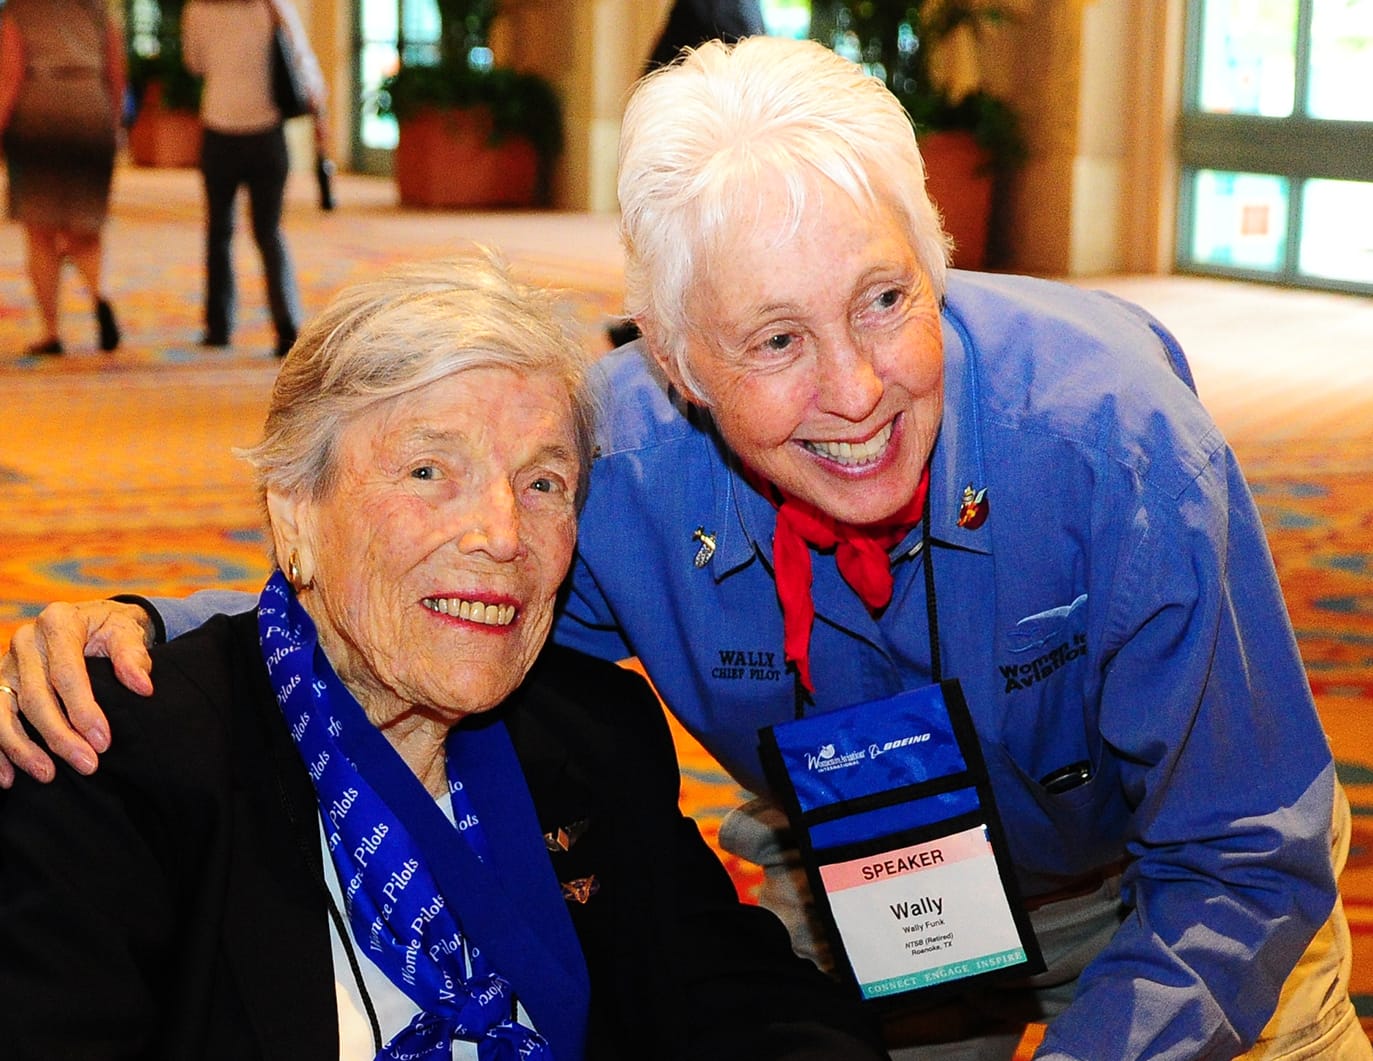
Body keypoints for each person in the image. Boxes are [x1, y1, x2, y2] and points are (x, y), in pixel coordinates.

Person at [1, 36, 1368, 1061]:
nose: (855, 389)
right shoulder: (598, 464)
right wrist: (143, 628)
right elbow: (409, 571)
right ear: (674, 358)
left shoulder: (1115, 443)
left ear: (938, 260)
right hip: (884, 890)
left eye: (886, 300)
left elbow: (1246, 849)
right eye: (774, 339)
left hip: (1188, 896)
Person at [0, 253, 887, 1061]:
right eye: (430, 472)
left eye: (542, 484)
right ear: (294, 510)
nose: (501, 535)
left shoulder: (593, 733)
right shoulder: (112, 760)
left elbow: (752, 1007)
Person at [182, 0, 326, 357]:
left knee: (219, 231)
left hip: (219, 128)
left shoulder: (198, 10)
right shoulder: (272, 5)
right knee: (270, 232)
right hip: (267, 133)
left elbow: (194, 63)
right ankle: (286, 325)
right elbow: (302, 58)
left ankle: (219, 326)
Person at [0, 0, 124, 356]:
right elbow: (115, 73)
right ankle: (100, 295)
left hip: (37, 111)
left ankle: (52, 331)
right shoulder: (99, 9)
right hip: (91, 108)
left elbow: (10, 76)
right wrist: (111, 125)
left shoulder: (20, 10)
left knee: (40, 231)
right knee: (86, 227)